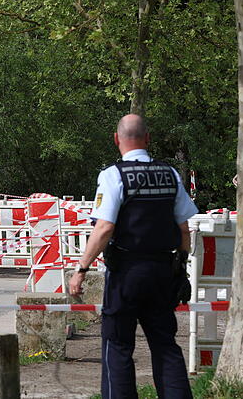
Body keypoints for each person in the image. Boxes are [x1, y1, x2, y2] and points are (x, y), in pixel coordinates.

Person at [68, 114, 197, 399]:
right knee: (165, 345)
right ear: (148, 139)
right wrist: (182, 266)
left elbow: (104, 227)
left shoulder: (113, 175)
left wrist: (81, 269)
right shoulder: (170, 174)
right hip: (164, 270)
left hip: (126, 272)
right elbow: (184, 228)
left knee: (118, 347)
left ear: (117, 139)